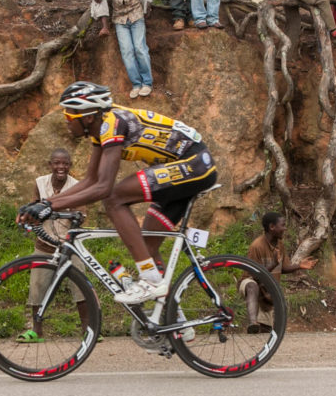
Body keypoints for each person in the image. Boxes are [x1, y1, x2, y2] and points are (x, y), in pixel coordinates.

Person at [19, 81, 218, 304]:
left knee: (114, 198)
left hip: (195, 164)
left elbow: (103, 187)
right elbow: (90, 180)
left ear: (87, 117)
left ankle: (150, 280)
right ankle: (174, 324)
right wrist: (44, 203)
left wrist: (50, 206)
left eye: (69, 115)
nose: (66, 120)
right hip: (182, 170)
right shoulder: (100, 131)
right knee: (148, 247)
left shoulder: (113, 123)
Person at [17, 148, 91, 343]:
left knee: (80, 286)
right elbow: (33, 205)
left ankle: (88, 330)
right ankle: (36, 330)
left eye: (65, 163)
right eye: (57, 163)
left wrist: (71, 214)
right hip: (44, 244)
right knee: (37, 287)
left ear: (70, 166)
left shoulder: (76, 186)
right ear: (50, 165)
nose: (61, 167)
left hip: (69, 246)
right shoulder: (40, 183)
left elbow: (82, 214)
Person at [241, 212, 316, 333]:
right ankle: (252, 322)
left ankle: (258, 331)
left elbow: (284, 268)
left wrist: (299, 265)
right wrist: (273, 264)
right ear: (272, 227)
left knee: (265, 331)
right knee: (251, 285)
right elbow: (254, 275)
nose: (285, 228)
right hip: (251, 283)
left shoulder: (280, 245)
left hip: (267, 291)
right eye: (283, 225)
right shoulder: (257, 246)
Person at [94, 0, 154, 98]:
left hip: (136, 16)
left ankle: (147, 83)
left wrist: (147, 6)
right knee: (127, 52)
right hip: (120, 19)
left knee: (140, 48)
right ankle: (136, 84)